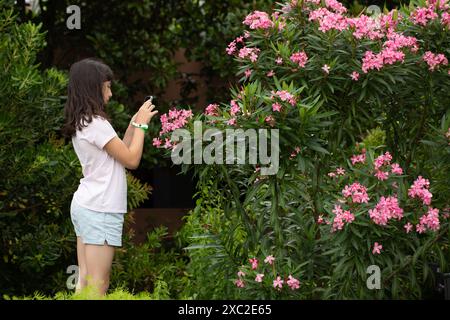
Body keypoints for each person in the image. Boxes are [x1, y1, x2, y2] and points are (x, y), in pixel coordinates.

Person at [61, 58, 158, 296]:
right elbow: (132, 160)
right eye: (107, 87)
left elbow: (121, 151)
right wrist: (143, 128)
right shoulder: (96, 124)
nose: (111, 93)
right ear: (94, 88)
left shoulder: (86, 122)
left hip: (88, 205)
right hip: (100, 209)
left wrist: (135, 122)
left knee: (84, 282)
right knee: (98, 285)